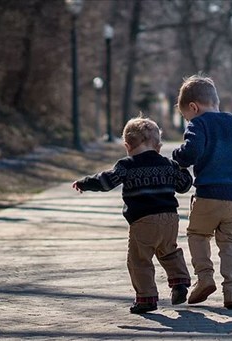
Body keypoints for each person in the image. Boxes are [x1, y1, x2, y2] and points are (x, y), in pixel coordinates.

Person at [72, 116, 193, 314]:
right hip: (170, 219)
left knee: (139, 259)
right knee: (169, 251)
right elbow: (184, 185)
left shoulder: (126, 165)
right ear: (158, 146)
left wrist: (85, 183)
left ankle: (146, 298)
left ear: (127, 145)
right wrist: (184, 169)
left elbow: (106, 182)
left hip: (143, 220)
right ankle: (179, 283)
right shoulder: (168, 164)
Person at [172, 74, 232, 309]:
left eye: (186, 116)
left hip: (208, 195)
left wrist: (177, 157)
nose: (188, 120)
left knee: (197, 234)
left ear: (194, 107)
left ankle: (204, 278)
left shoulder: (198, 124)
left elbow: (191, 153)